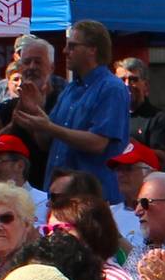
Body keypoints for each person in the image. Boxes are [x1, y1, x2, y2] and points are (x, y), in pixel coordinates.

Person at [15, 22, 129, 197]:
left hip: (91, 198)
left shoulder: (111, 88)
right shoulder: (70, 89)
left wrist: (48, 126)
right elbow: (47, 142)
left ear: (92, 49)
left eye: (72, 46)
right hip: (59, 195)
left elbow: (98, 143)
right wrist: (35, 111)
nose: (65, 51)